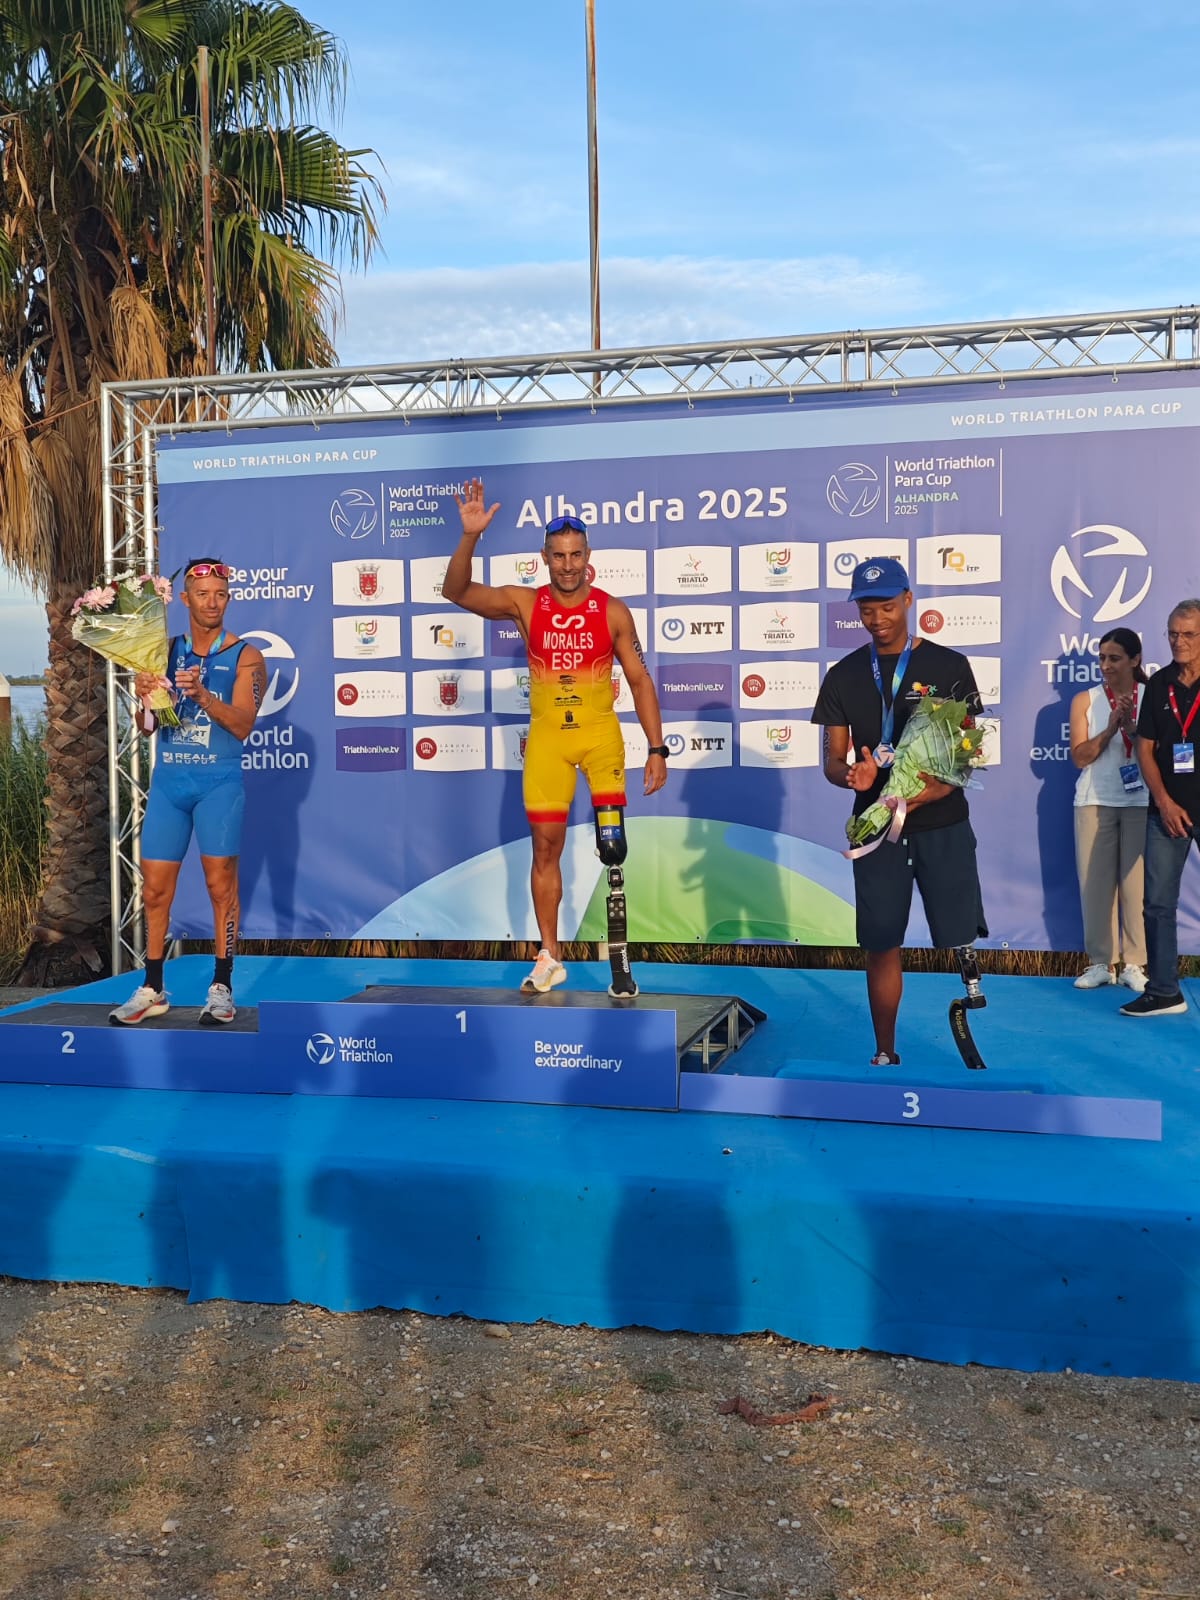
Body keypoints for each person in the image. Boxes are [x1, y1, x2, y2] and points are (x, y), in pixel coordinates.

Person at [444, 478, 668, 993]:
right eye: (558, 556)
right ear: (544, 557)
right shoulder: (526, 604)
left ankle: (620, 961)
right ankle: (550, 956)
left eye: (576, 555)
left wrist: (656, 748)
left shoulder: (612, 610)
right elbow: (456, 592)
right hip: (547, 742)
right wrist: (470, 537)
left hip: (599, 738)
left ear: (588, 556)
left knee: (612, 846)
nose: (568, 565)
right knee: (545, 850)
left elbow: (639, 680)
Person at [811, 557, 987, 1066]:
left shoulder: (949, 666)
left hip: (943, 825)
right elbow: (832, 760)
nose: (878, 618)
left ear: (908, 600)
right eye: (868, 609)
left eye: (887, 606)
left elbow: (969, 749)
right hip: (876, 831)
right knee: (882, 942)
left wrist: (930, 789)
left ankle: (970, 997)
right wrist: (850, 776)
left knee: (958, 935)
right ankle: (885, 1051)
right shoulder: (843, 675)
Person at [110, 559, 267, 1026]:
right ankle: (153, 987)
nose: (212, 602)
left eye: (220, 594)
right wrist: (144, 699)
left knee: (222, 888)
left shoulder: (246, 655)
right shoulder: (162, 651)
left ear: (228, 598)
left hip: (218, 785)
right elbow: (148, 728)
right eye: (203, 594)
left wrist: (202, 696)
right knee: (155, 892)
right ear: (185, 600)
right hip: (170, 787)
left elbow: (243, 726)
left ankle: (222, 986)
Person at [1120, 597, 1200, 1018]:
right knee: (1157, 903)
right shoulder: (1159, 684)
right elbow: (1145, 751)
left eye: (1188, 634)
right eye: (1172, 634)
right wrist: (1165, 802)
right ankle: (1165, 990)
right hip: (1167, 810)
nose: (1178, 641)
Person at [1069, 628, 1149, 992]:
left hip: (1140, 801)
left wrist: (1133, 727)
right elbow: (1079, 757)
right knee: (1096, 886)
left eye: (1114, 658)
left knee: (1136, 888)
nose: (1106, 665)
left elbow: (1159, 753)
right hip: (1094, 801)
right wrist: (1111, 728)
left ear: (1134, 660)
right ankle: (1101, 962)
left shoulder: (1151, 697)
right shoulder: (1084, 699)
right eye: (1101, 658)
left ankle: (1134, 963)